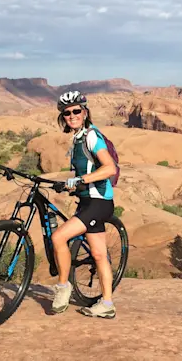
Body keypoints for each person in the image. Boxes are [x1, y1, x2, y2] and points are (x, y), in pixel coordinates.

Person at [50, 90, 118, 319]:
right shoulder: (78, 138)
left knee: (59, 237)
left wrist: (81, 180)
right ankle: (107, 303)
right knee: (99, 255)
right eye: (67, 113)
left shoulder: (91, 136)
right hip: (89, 202)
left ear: (85, 112)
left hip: (99, 203)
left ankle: (63, 288)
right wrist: (71, 185)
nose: (72, 115)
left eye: (76, 111)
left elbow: (109, 168)